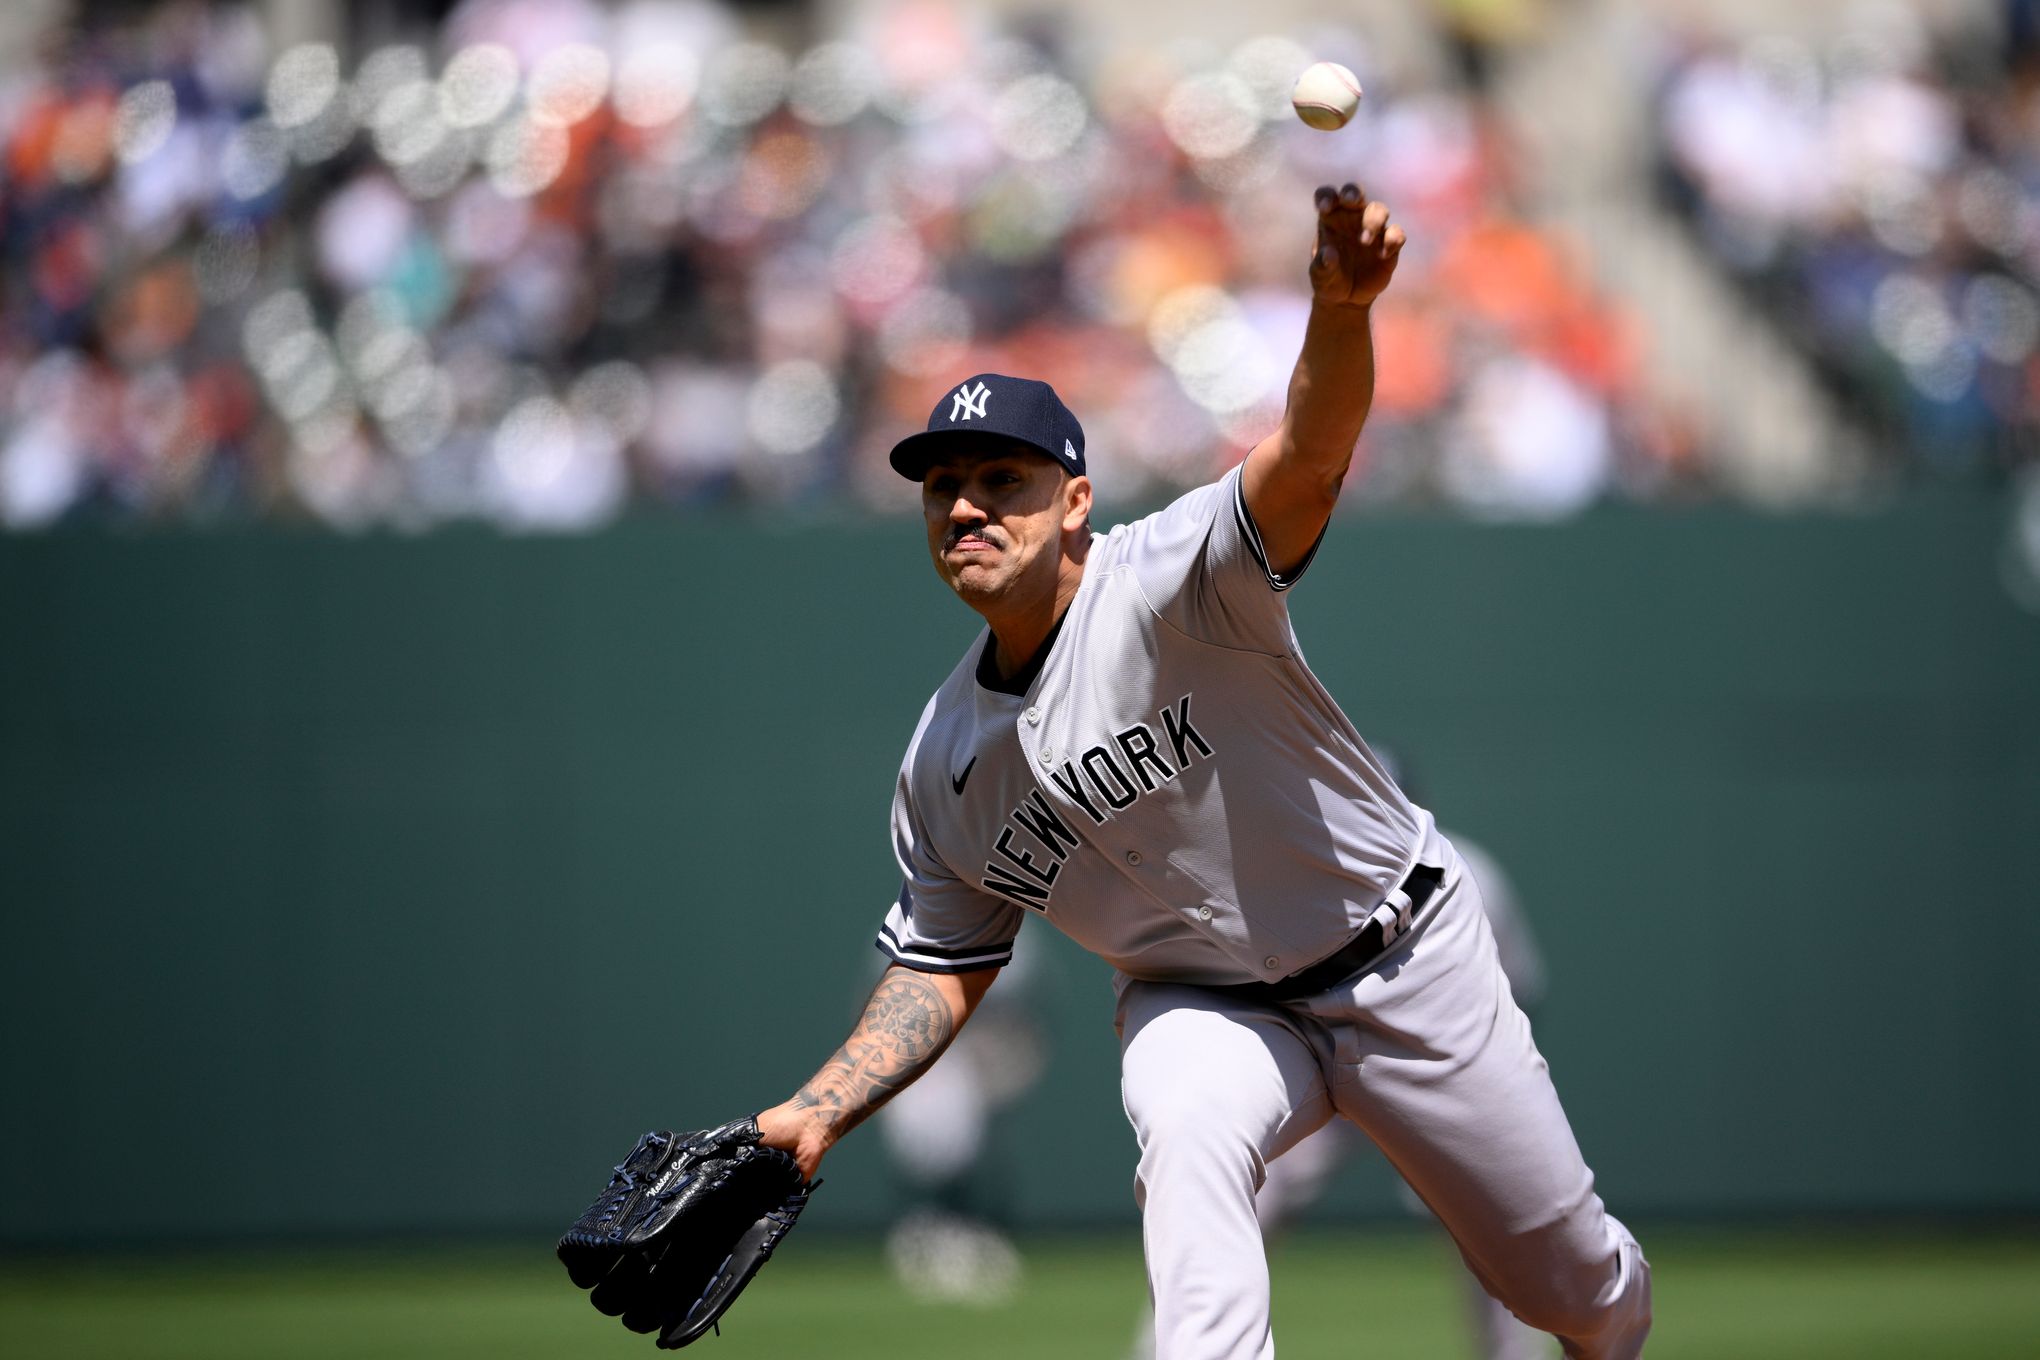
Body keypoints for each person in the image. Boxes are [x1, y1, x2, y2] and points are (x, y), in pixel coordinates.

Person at [753, 182, 1652, 1360]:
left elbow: (1310, 459)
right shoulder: (944, 760)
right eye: (943, 486)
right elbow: (942, 958)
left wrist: (1339, 312)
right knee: (1183, 1123)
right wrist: (817, 1111)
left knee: (1575, 1291)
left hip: (1400, 960)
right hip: (1206, 1003)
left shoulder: (1176, 580)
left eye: (1002, 480)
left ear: (1076, 500)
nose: (966, 506)